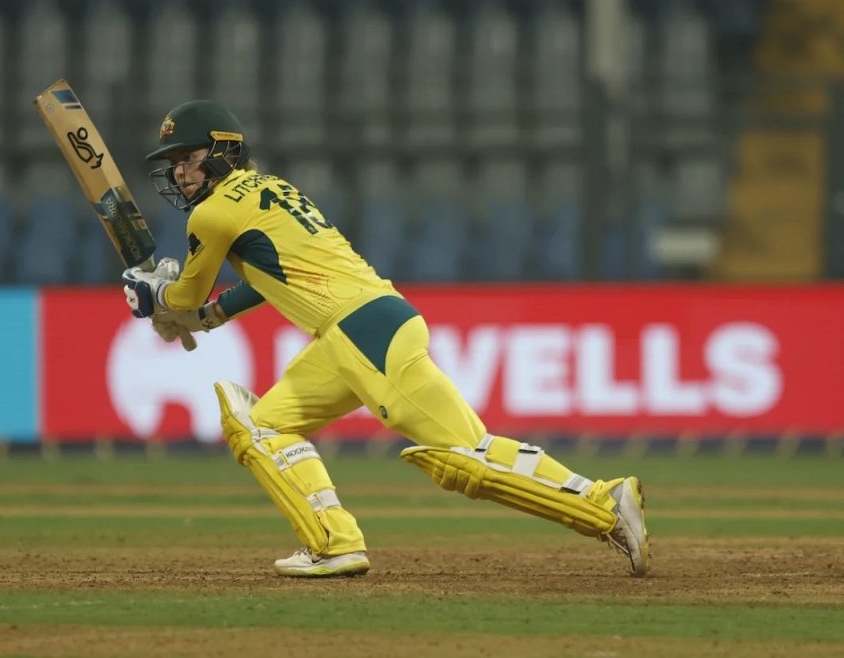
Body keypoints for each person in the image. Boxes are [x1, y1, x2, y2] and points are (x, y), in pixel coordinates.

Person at [122, 99, 651, 578]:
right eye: (173, 163)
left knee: (466, 456)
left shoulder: (212, 213)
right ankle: (334, 543)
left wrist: (154, 298)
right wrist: (198, 314)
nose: (178, 172)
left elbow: (184, 297)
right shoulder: (270, 188)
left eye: (187, 158)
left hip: (361, 330)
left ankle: (603, 504)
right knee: (262, 428)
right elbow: (263, 281)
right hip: (357, 328)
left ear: (222, 152)